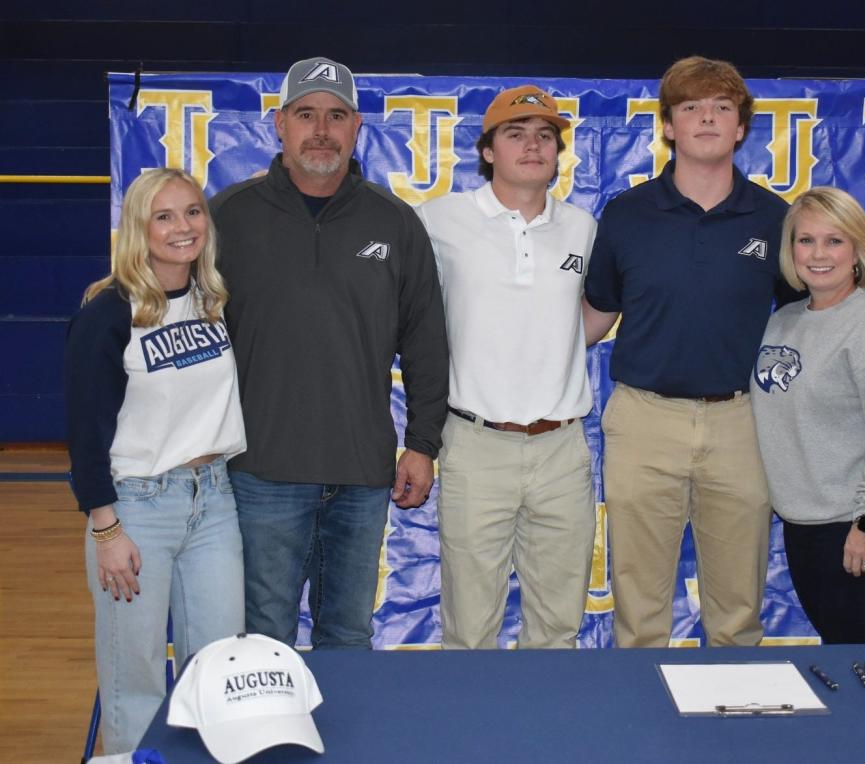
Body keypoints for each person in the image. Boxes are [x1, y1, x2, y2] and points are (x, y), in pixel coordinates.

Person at [210, 56, 448, 649]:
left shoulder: (394, 223)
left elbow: (425, 341)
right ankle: (269, 742)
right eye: (306, 114)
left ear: (356, 127)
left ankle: (347, 747)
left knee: (348, 635)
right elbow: (186, 336)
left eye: (336, 115)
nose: (322, 129)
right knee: (263, 636)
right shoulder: (227, 218)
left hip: (361, 475)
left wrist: (421, 444)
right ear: (279, 124)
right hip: (260, 472)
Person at [583, 56, 799, 647]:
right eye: (691, 107)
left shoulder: (775, 217)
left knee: (736, 611)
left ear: (740, 129)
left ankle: (736, 732)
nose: (707, 117)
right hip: (645, 419)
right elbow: (595, 315)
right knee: (639, 610)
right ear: (669, 127)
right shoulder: (627, 214)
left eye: (721, 108)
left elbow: (808, 316)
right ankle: (639, 725)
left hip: (742, 422)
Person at [65, 168, 246, 753]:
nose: (182, 227)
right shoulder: (108, 313)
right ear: (138, 228)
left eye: (192, 212)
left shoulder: (213, 298)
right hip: (136, 509)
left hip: (213, 500)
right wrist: (106, 528)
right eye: (163, 216)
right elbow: (84, 434)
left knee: (218, 663)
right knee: (134, 674)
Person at [416, 85, 597, 649]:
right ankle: (469, 736)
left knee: (558, 625)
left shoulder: (583, 229)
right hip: (475, 443)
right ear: (488, 150)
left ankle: (551, 735)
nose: (532, 146)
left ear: (559, 152)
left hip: (561, 446)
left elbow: (595, 313)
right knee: (470, 625)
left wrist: (556, 346)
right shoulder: (437, 221)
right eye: (515, 134)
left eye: (545, 136)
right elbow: (409, 315)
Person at [750, 186, 865, 644]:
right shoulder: (781, 321)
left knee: (859, 661)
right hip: (804, 523)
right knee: (838, 650)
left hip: (858, 524)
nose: (818, 254)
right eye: (805, 240)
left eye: (834, 241)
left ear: (857, 251)